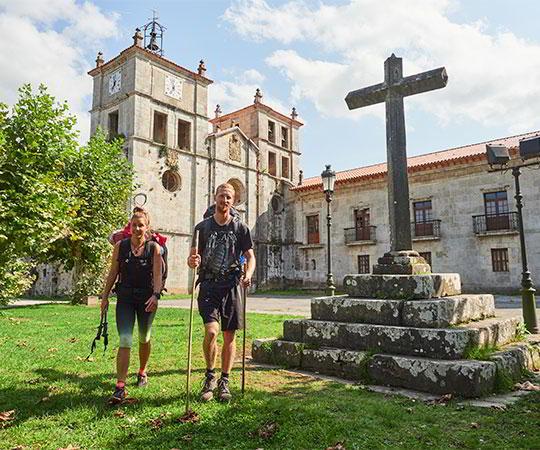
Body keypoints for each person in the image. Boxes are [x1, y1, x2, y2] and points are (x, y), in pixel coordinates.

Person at [187, 183, 255, 402]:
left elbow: (250, 256)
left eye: (229, 197)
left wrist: (249, 273)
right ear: (215, 198)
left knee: (229, 336)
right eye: (221, 196)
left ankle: (224, 380)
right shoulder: (202, 228)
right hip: (209, 285)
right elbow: (192, 258)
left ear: (233, 201)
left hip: (232, 285)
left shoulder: (241, 228)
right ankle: (209, 375)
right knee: (212, 332)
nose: (224, 200)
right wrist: (192, 261)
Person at [101, 208, 162, 403]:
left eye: (141, 225)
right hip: (125, 298)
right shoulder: (121, 246)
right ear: (130, 226)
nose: (137, 228)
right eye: (134, 225)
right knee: (125, 339)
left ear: (147, 228)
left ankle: (142, 371)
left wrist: (156, 295)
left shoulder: (154, 248)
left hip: (146, 299)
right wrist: (104, 297)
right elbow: (113, 273)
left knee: (144, 337)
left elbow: (158, 275)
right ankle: (120, 386)